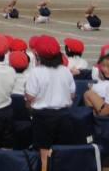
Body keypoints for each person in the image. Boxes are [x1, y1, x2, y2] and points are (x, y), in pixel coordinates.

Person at [25, 35, 75, 171]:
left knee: (44, 153)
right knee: (62, 152)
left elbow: (29, 96)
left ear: (37, 55)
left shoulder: (36, 72)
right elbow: (72, 94)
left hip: (43, 116)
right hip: (64, 115)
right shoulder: (65, 71)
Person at [83, 51, 109, 116]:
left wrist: (99, 112)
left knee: (88, 94)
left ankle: (96, 120)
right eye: (103, 65)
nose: (105, 69)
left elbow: (107, 111)